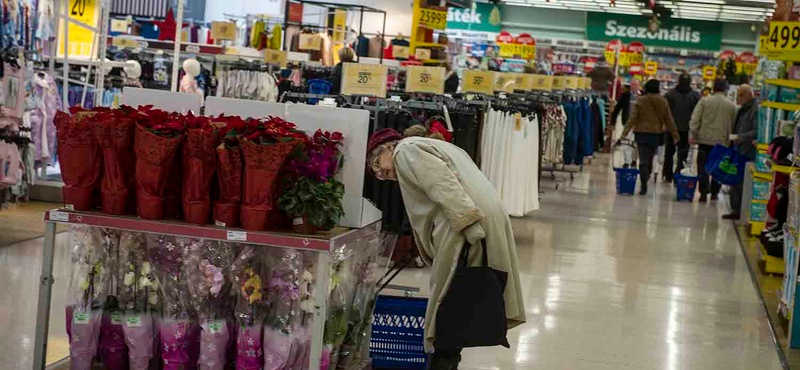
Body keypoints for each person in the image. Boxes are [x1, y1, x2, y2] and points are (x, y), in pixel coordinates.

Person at [366, 128, 526, 370]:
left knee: (447, 305)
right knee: (457, 300)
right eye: (376, 173)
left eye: (377, 163)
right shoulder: (436, 146)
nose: (380, 173)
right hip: (483, 220)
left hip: (466, 227)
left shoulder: (405, 150)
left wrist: (469, 225)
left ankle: (443, 363)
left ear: (389, 146)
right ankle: (447, 360)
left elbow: (444, 185)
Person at [620, 79, 680, 195]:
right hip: (655, 134)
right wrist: (675, 135)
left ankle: (643, 184)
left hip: (641, 133)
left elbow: (633, 118)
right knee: (650, 158)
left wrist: (624, 133)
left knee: (642, 158)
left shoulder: (640, 100)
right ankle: (646, 177)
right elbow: (669, 120)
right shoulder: (663, 101)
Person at [690, 78, 737, 202]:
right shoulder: (732, 106)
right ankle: (715, 193)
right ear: (725, 89)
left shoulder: (704, 101)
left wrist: (693, 134)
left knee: (703, 166)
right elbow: (734, 126)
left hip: (704, 140)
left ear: (713, 88)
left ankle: (703, 193)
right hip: (722, 142)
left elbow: (695, 119)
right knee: (718, 167)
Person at [724, 84, 758, 220]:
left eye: (740, 96)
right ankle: (735, 210)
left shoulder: (755, 109)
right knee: (734, 180)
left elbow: (756, 131)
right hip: (738, 149)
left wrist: (741, 137)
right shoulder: (743, 109)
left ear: (748, 95)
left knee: (740, 182)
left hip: (747, 151)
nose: (738, 98)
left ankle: (739, 211)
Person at [664, 72, 701, 182]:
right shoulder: (695, 96)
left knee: (669, 153)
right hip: (686, 130)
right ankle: (678, 174)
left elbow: (665, 112)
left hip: (671, 129)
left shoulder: (670, 94)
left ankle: (668, 175)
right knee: (682, 154)